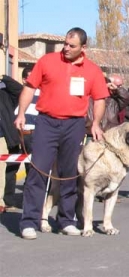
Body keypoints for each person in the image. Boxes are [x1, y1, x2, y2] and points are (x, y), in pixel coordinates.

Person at [14, 27, 109, 240]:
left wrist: (95, 123)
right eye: (65, 44)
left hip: (74, 125)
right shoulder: (47, 61)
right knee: (38, 171)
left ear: (83, 47)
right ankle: (29, 221)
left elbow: (100, 98)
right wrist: (20, 114)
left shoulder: (93, 70)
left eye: (71, 46)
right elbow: (29, 88)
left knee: (69, 174)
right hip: (46, 122)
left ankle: (66, 220)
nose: (66, 48)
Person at [0, 75, 24, 214]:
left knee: (1, 169)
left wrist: (4, 77)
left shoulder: (4, 95)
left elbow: (20, 90)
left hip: (1, 137)